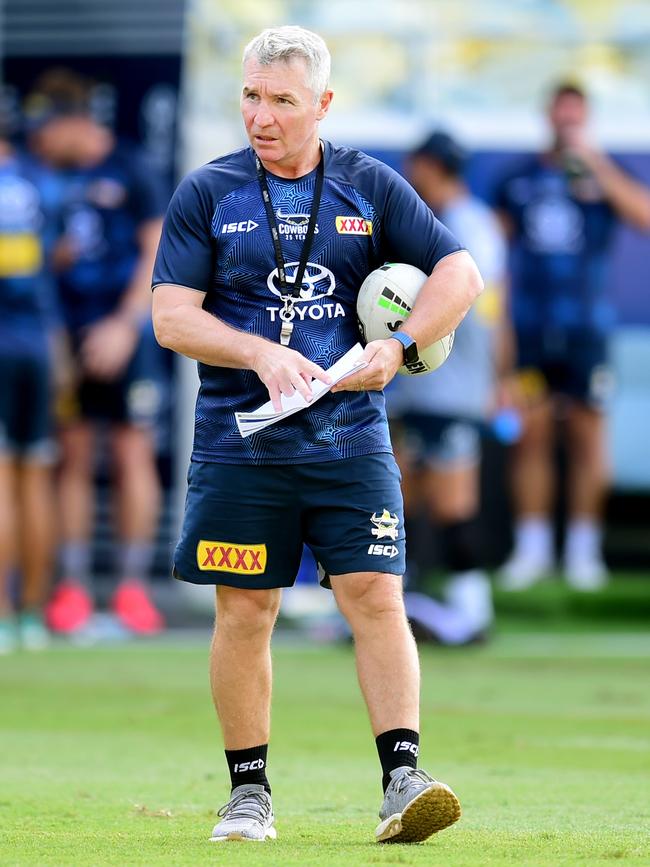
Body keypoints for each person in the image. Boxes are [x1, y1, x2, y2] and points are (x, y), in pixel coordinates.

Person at [152, 26, 482, 844]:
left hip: (349, 439)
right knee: (246, 610)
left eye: (281, 101)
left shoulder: (370, 185)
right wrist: (259, 351)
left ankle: (403, 779)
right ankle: (248, 794)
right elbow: (170, 317)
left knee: (375, 595)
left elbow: (461, 273)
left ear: (323, 104)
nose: (260, 117)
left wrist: (398, 347)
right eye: (251, 97)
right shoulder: (208, 191)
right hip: (241, 443)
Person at [26, 71, 168, 634]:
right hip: (68, 332)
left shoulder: (132, 167)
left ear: (75, 122)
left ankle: (133, 590)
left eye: (47, 128)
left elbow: (157, 251)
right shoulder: (46, 178)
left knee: (134, 451)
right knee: (74, 453)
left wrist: (125, 325)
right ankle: (74, 588)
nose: (40, 140)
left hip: (125, 333)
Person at [495, 82, 650, 591]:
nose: (567, 126)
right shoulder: (519, 179)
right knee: (532, 435)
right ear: (547, 117)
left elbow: (643, 216)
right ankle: (532, 548)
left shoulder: (605, 176)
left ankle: (584, 551)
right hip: (534, 329)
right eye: (561, 116)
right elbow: (489, 255)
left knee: (588, 436)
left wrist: (597, 166)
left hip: (588, 331)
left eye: (576, 118)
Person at [387, 131, 508, 645]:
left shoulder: (470, 225)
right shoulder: (427, 222)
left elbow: (487, 307)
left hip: (453, 384)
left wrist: (498, 378)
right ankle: (405, 610)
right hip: (414, 385)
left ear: (426, 166)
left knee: (453, 499)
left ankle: (471, 611)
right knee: (404, 495)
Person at [0, 113, 61, 652]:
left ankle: (1, 615)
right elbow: (58, 257)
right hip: (38, 343)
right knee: (35, 477)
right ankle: (32, 617)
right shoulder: (38, 184)